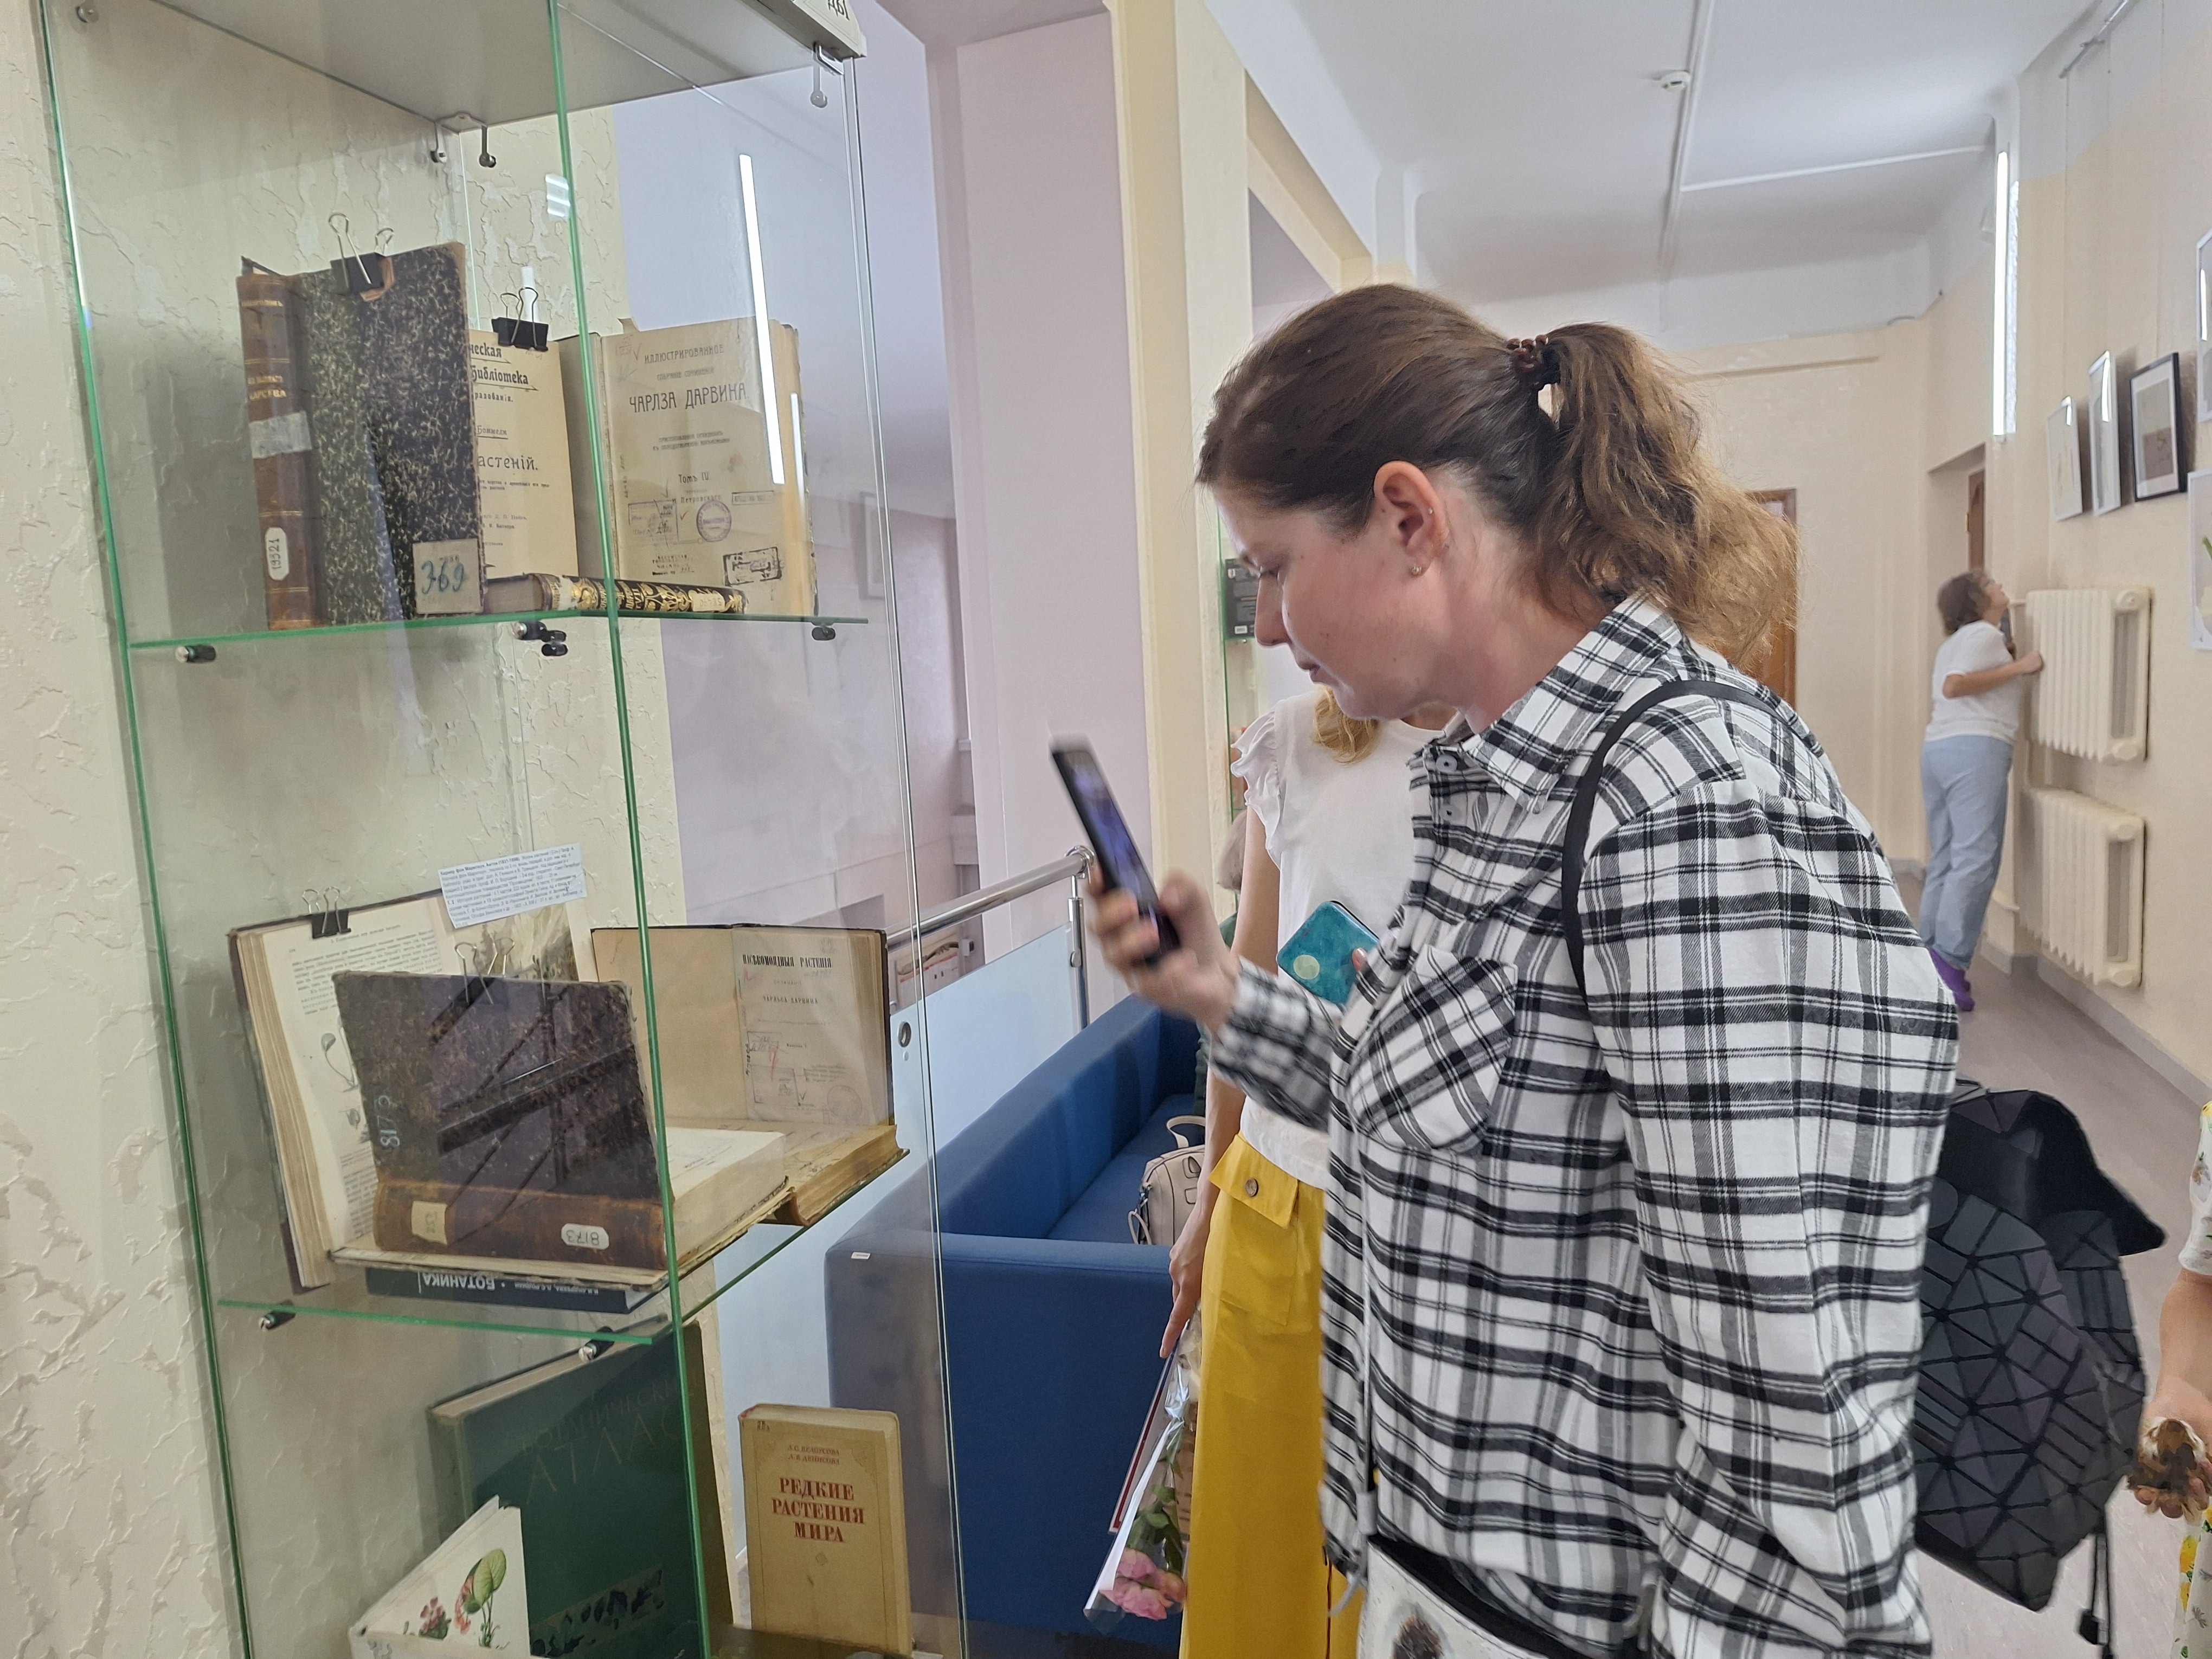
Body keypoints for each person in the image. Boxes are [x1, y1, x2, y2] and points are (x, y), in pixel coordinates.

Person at [1090, 286, 1959, 1658]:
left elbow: (1785, 1406)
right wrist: (1215, 992)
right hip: (1456, 1590)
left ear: (1407, 518)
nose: (1268, 626)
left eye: (1272, 566)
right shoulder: (1495, 778)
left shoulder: (1678, 803)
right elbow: (1444, 1099)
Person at [1171, 686, 1452, 1659]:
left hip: (1442, 1240)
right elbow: (1247, 983)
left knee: (1413, 1594)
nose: (1283, 624)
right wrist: (1208, 1199)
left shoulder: (1532, 738)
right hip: (1279, 1203)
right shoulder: (1293, 741)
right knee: (1257, 1569)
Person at [1919, 570, 2042, 1011]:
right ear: (1975, 599)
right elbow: (1955, 687)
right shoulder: (1984, 635)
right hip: (1976, 748)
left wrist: (2004, 659)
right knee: (1976, 858)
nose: (2000, 585)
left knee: (1947, 856)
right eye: (1990, 583)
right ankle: (1949, 963)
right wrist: (2021, 667)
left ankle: (1927, 962)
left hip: (1938, 749)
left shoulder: (1958, 641)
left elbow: (1958, 681)